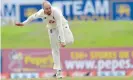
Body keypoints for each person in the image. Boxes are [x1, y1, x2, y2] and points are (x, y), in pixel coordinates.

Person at [15, 1, 74, 78]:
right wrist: (23, 23)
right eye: (47, 9)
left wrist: (62, 41)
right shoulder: (41, 13)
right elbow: (32, 17)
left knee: (70, 41)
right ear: (43, 9)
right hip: (51, 28)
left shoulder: (56, 12)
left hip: (62, 25)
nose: (49, 10)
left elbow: (59, 26)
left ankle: (60, 39)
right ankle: (58, 71)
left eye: (50, 8)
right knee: (54, 49)